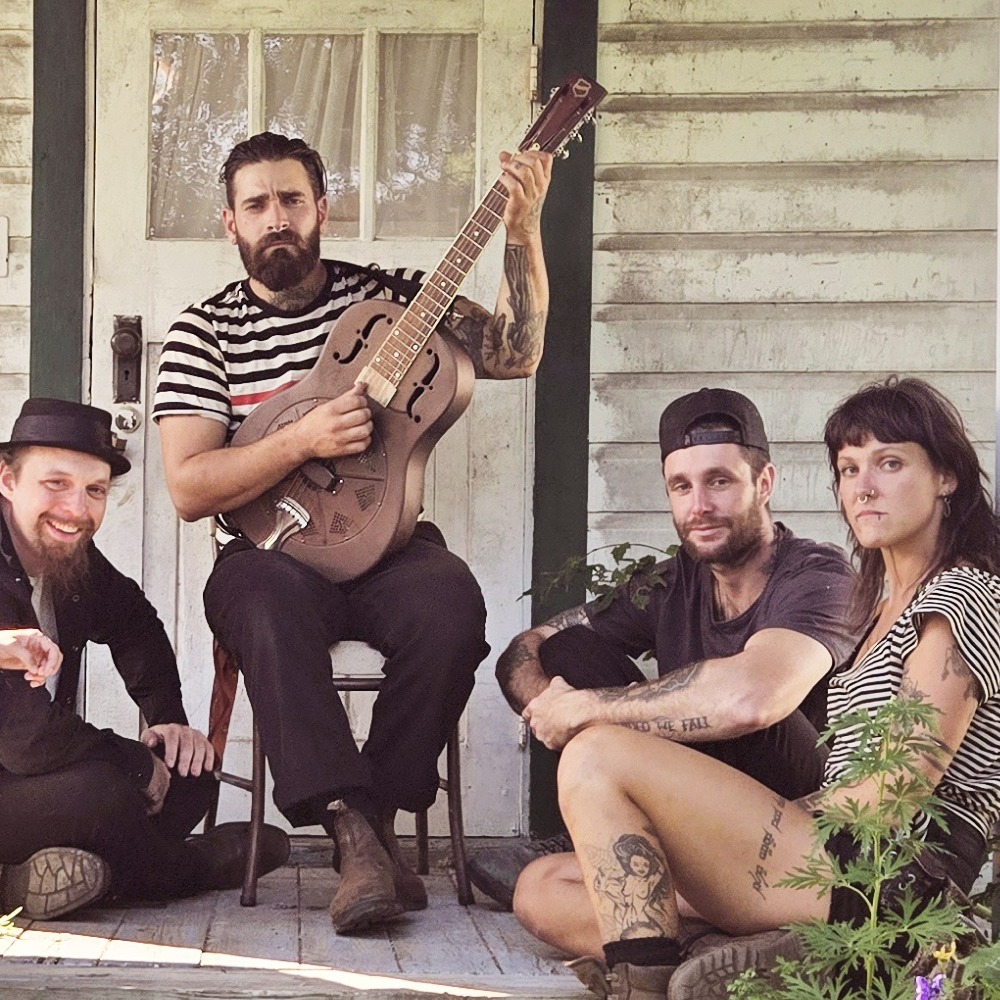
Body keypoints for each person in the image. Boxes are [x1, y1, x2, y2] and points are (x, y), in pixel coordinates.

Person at [152, 131, 552, 933]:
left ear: (322, 210)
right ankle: (351, 831)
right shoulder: (203, 333)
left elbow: (515, 355)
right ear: (231, 222)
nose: (276, 218)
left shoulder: (391, 300)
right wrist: (300, 441)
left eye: (291, 200)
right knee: (264, 604)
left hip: (387, 545)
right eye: (257, 204)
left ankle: (377, 820)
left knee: (450, 605)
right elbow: (191, 488)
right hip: (270, 554)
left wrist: (523, 228)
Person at [514, 376, 1000, 1000]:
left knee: (595, 752)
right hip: (836, 854)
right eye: (849, 469)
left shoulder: (961, 598)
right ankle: (742, 958)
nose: (864, 487)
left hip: (890, 881)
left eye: (890, 464)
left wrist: (754, 835)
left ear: (946, 477)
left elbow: (896, 793)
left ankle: (657, 981)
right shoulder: (883, 606)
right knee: (545, 886)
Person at [468, 387, 860, 910]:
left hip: (798, 818)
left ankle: (683, 880)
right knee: (568, 654)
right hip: (695, 798)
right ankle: (616, 832)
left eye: (719, 481)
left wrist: (587, 711)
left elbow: (753, 700)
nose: (700, 506)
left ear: (764, 483)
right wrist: (552, 708)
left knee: (725, 700)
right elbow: (531, 645)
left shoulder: (818, 575)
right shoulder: (671, 582)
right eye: (681, 486)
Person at [0, 398, 289, 921]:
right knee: (105, 792)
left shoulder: (65, 553)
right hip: (15, 769)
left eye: (95, 491)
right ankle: (189, 868)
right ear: (7, 480)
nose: (76, 509)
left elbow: (134, 623)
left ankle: (41, 872)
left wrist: (167, 722)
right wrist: (135, 764)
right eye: (56, 483)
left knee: (191, 770)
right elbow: (27, 741)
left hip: (27, 782)